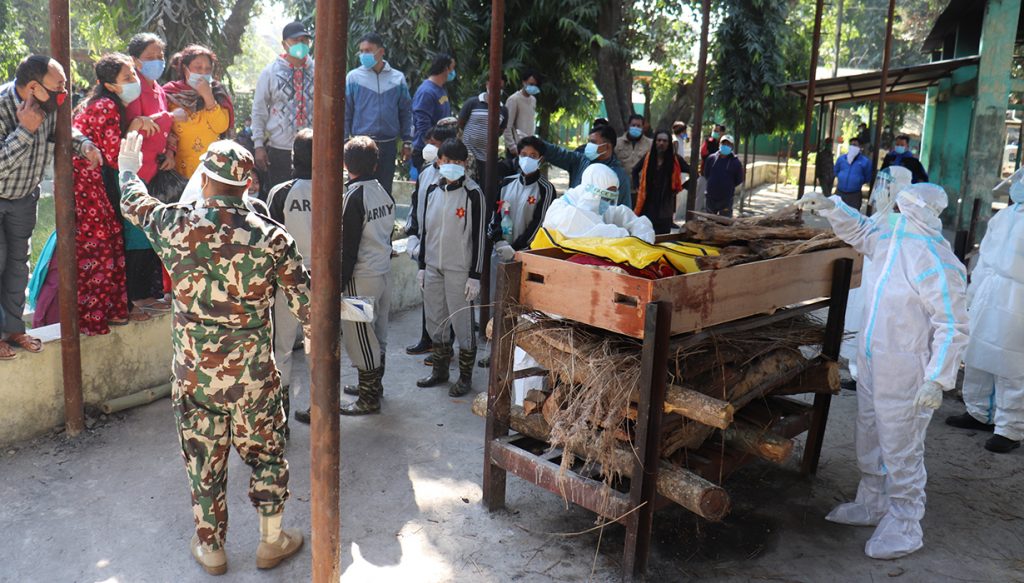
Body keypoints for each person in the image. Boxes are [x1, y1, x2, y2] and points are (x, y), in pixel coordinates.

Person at [118, 135, 311, 574]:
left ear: (204, 179)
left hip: (195, 376)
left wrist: (128, 169)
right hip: (253, 375)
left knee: (203, 458)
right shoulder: (272, 236)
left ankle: (211, 547)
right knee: (266, 454)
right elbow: (307, 305)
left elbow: (134, 203)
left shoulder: (176, 224)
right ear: (247, 186)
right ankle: (271, 540)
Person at [797, 183, 968, 560]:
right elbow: (861, 229)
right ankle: (873, 501)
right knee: (870, 433)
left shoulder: (936, 261)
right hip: (874, 361)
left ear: (924, 211)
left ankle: (906, 522)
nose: (898, 210)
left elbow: (953, 325)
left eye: (906, 205)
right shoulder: (891, 239)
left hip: (907, 371)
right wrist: (832, 207)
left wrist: (937, 379)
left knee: (901, 445)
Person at [0, 55, 101, 359]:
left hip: (23, 198)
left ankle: (14, 329)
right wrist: (25, 131)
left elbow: (65, 131)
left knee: (18, 266)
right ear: (33, 87)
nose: (64, 93)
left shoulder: (49, 106)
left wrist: (84, 145)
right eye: (58, 87)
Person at [947, 169, 1024, 453]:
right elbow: (986, 258)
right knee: (977, 355)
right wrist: (973, 291)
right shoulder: (1004, 217)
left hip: (1018, 299)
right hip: (989, 292)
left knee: (1012, 365)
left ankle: (1009, 429)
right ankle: (978, 412)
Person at [71, 53, 146, 336]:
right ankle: (93, 319)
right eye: (127, 77)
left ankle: (111, 312)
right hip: (87, 184)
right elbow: (115, 156)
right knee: (100, 248)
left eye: (134, 74)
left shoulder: (101, 103)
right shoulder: (106, 106)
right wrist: (135, 130)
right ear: (110, 85)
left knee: (109, 244)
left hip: (92, 183)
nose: (134, 80)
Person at [415, 139, 487, 397]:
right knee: (436, 321)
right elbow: (425, 231)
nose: (452, 165)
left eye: (457, 161)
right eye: (447, 161)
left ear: (465, 163)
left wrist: (475, 275)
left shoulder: (473, 194)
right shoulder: (432, 190)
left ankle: (465, 377)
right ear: (439, 161)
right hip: (433, 267)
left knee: (462, 323)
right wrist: (422, 265)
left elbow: (479, 237)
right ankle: (440, 371)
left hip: (460, 270)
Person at [335, 136, 395, 415]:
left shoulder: (354, 196)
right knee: (377, 334)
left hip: (361, 277)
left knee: (360, 337)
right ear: (375, 163)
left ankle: (368, 399)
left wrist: (339, 284)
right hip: (382, 273)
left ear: (345, 164)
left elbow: (348, 248)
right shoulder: (382, 191)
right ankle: (373, 386)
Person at [124, 33, 177, 318]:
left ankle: (149, 293)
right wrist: (166, 119)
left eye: (160, 56)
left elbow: (166, 132)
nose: (158, 61)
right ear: (135, 60)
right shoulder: (133, 90)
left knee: (152, 235)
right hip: (136, 173)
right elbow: (132, 126)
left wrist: (170, 151)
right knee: (136, 236)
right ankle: (136, 296)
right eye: (151, 57)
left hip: (156, 174)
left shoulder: (158, 89)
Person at [265, 129, 313, 411]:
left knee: (281, 348)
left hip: (286, 281)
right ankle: (319, 408)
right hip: (321, 281)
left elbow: (269, 242)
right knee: (316, 347)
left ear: (294, 156)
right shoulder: (334, 189)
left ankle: (280, 416)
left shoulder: (281, 192)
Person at [405, 120, 457, 356]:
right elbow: (415, 203)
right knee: (428, 294)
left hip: (445, 247)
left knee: (445, 300)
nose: (429, 148)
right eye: (429, 143)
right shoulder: (426, 172)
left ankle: (444, 347)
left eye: (435, 144)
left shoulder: (455, 178)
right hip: (424, 245)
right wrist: (412, 234)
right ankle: (427, 339)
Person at [346, 33, 412, 195]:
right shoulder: (353, 77)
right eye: (361, 51)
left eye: (368, 50)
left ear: (381, 51)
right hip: (361, 146)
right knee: (358, 191)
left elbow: (405, 111)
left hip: (388, 145)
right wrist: (345, 142)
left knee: (384, 191)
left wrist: (407, 141)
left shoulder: (397, 78)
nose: (364, 55)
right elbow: (346, 111)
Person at [252, 21, 315, 190]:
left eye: (305, 40)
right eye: (296, 40)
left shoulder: (318, 71)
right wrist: (258, 145)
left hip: (313, 148)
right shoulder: (270, 72)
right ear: (284, 44)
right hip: (280, 149)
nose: (301, 44)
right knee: (281, 196)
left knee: (311, 197)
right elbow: (259, 110)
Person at [164, 45, 235, 178]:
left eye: (207, 69)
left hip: (212, 173)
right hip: (179, 172)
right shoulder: (171, 94)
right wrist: (169, 151)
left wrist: (208, 96)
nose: (203, 72)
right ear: (185, 69)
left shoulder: (218, 93)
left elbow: (221, 127)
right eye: (198, 67)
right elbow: (164, 131)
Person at [491, 136, 556, 260]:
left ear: (541, 159)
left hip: (526, 255)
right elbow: (495, 215)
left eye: (533, 156)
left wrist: (515, 249)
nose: (527, 159)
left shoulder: (546, 189)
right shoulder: (507, 183)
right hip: (499, 251)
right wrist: (499, 241)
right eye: (524, 154)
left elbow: (539, 224)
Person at [543, 124, 631, 204]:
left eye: (593, 142)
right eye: (588, 142)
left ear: (607, 146)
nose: (588, 145)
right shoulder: (580, 161)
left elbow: (624, 209)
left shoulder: (619, 176)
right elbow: (556, 153)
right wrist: (538, 144)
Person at [632, 129, 689, 234]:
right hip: (647, 207)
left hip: (665, 210)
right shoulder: (648, 157)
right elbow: (635, 170)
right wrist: (637, 187)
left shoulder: (675, 160)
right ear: (655, 142)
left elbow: (694, 173)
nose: (661, 143)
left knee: (663, 238)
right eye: (659, 140)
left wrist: (681, 187)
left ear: (669, 143)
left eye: (664, 141)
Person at [457, 75, 508, 188]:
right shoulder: (473, 102)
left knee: (484, 187)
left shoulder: (503, 110)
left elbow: (500, 131)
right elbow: (461, 123)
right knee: (465, 185)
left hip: (487, 157)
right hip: (468, 153)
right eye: (494, 85)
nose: (497, 89)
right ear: (487, 84)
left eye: (500, 87)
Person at [410, 53, 455, 172]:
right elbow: (422, 124)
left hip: (441, 149)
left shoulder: (440, 89)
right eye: (452, 68)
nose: (453, 72)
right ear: (445, 69)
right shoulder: (426, 92)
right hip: (429, 151)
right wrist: (432, 146)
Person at [701, 134, 743, 217]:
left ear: (732, 147)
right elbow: (706, 174)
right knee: (709, 222)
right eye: (724, 143)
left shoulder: (736, 162)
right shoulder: (711, 158)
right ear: (719, 144)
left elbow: (738, 179)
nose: (725, 146)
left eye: (728, 144)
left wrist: (728, 186)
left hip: (726, 199)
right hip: (711, 197)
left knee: (725, 222)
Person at [503, 70, 540, 157]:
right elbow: (507, 126)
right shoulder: (514, 99)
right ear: (523, 82)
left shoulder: (533, 100)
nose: (533, 87)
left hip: (529, 148)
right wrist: (512, 148)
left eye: (536, 85)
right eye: (531, 84)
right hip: (517, 149)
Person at [833, 137, 873, 210]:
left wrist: (858, 181)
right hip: (840, 192)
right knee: (836, 212)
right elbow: (836, 171)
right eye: (851, 145)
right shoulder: (841, 159)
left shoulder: (865, 162)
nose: (852, 147)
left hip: (854, 195)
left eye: (855, 145)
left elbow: (867, 177)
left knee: (852, 214)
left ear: (860, 147)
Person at [615, 113, 652, 189]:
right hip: (621, 187)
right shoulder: (617, 143)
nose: (635, 128)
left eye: (638, 126)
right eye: (633, 125)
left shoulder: (650, 144)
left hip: (641, 188)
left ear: (643, 127)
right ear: (628, 126)